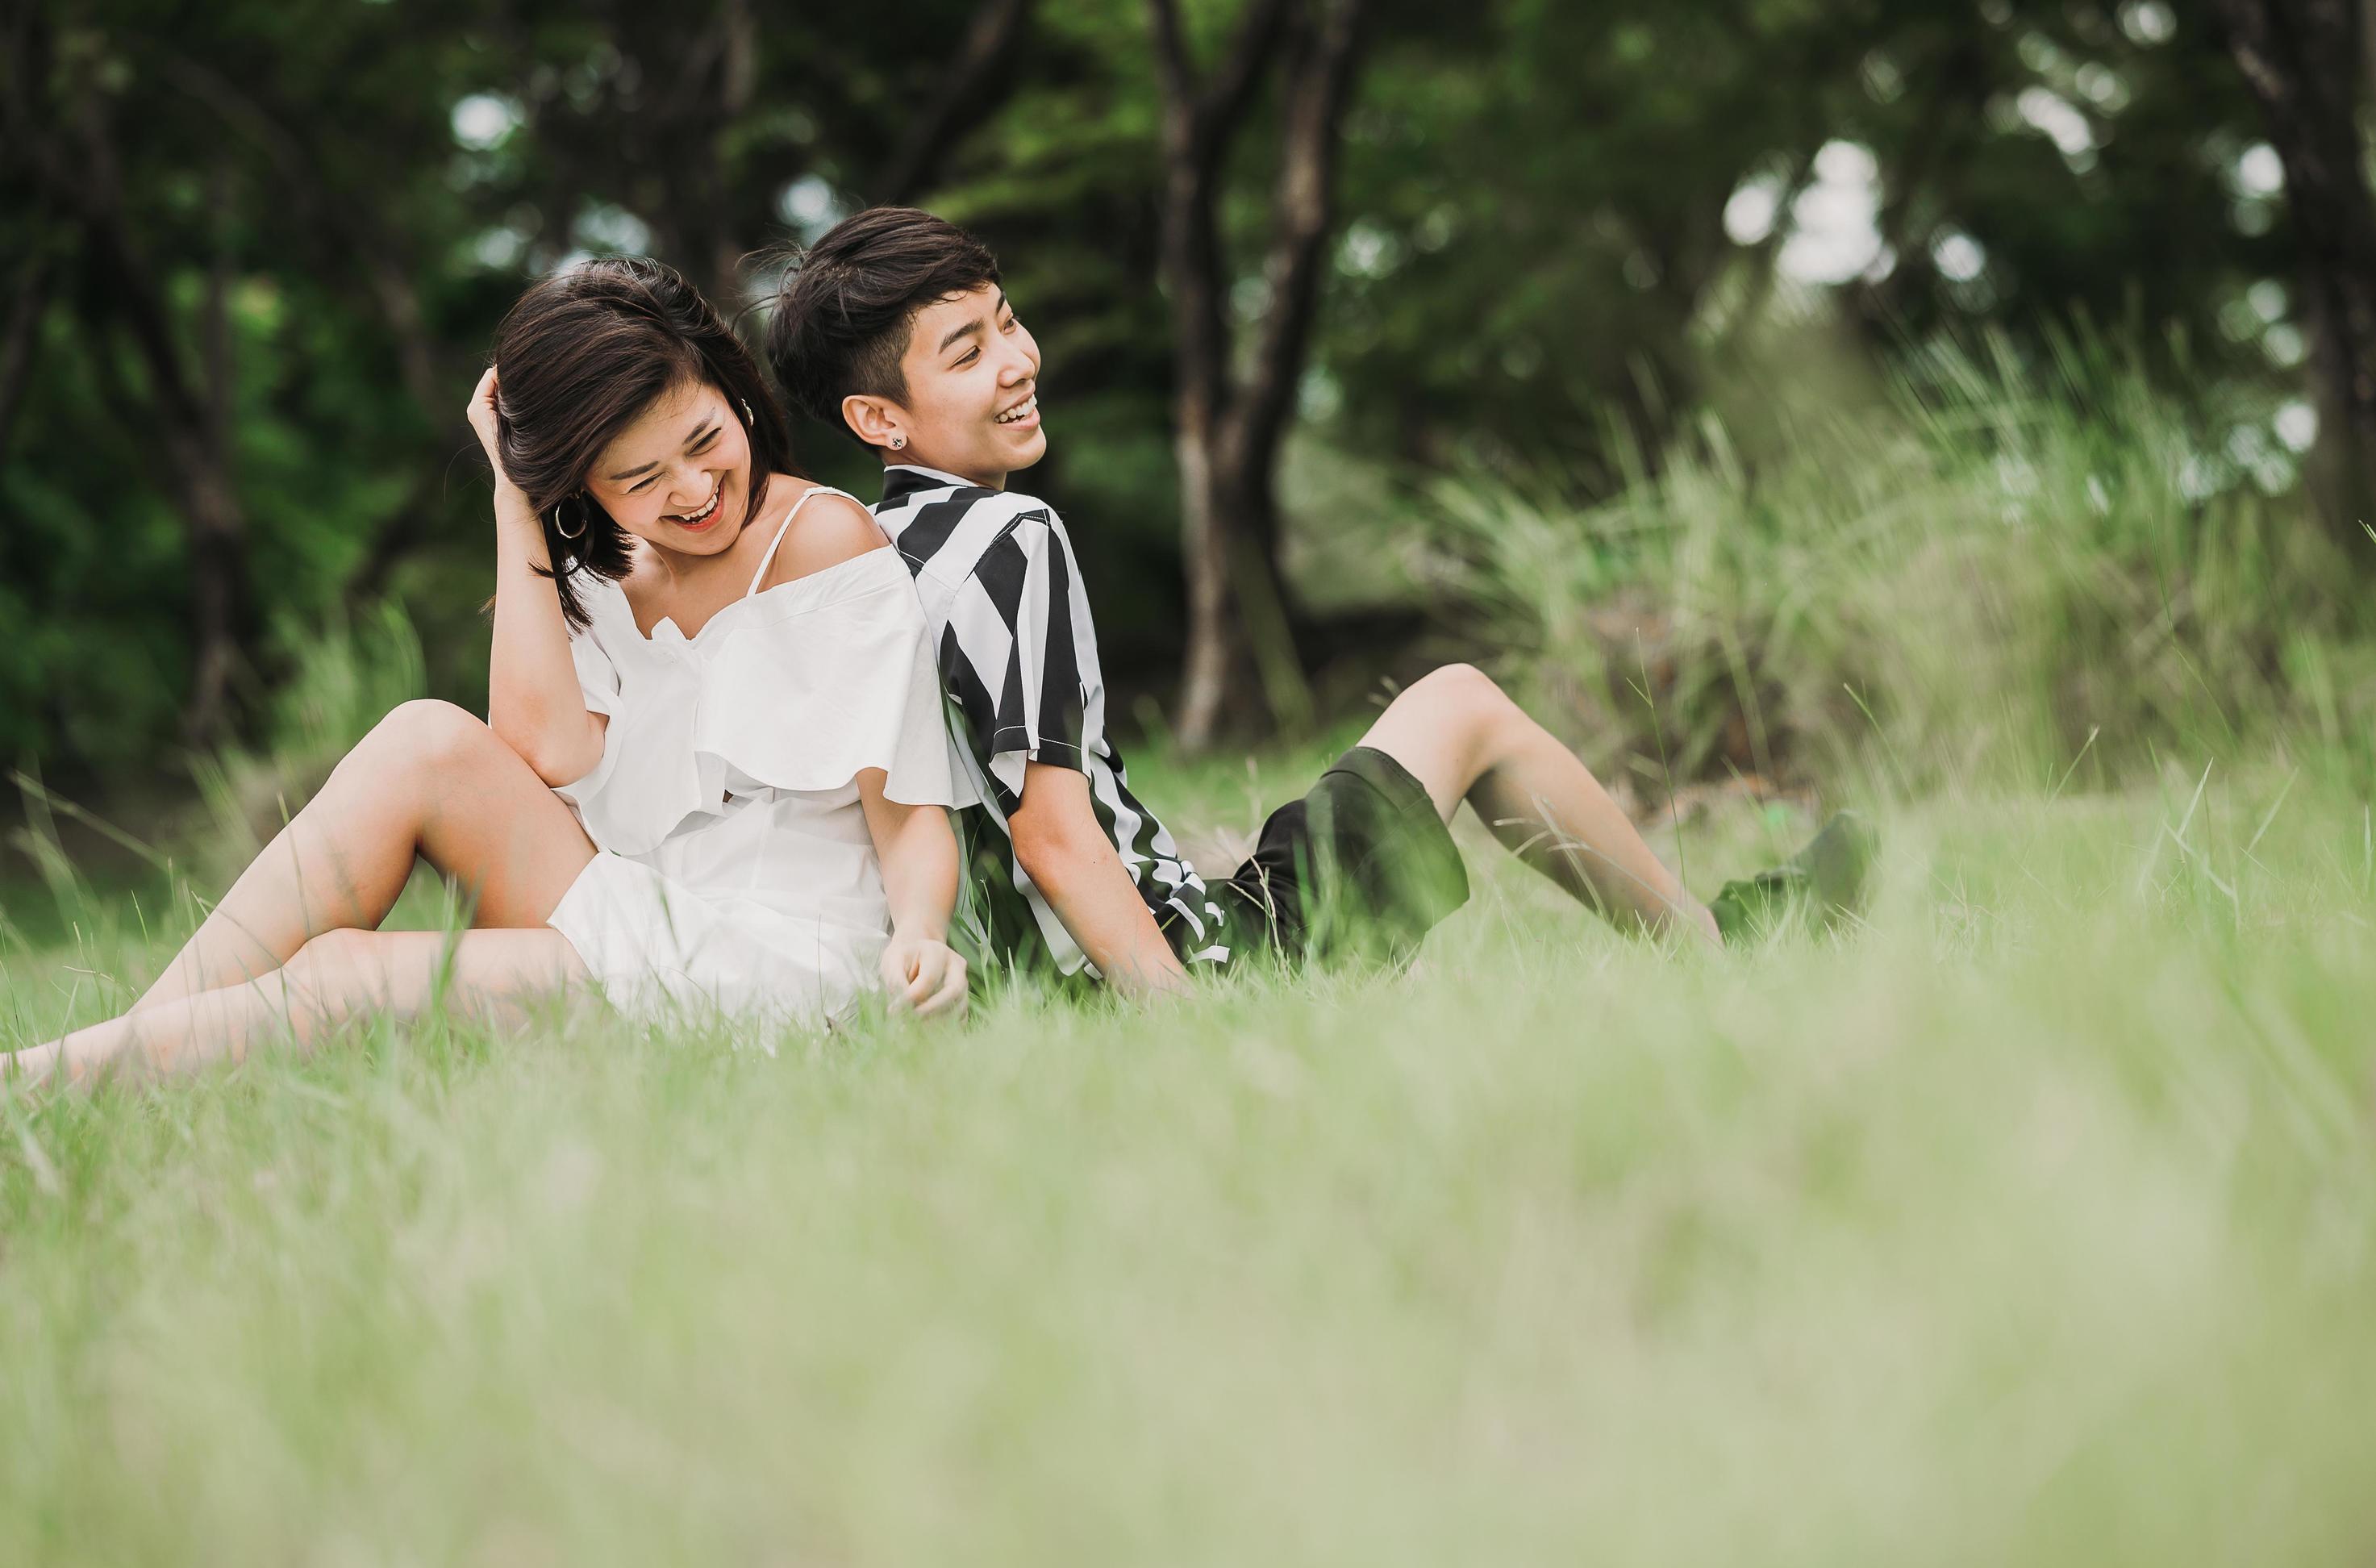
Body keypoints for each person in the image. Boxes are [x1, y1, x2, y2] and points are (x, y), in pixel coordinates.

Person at [765, 208, 1871, 998]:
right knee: (1461, 702)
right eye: (968, 351)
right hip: (1202, 961)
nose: (1017, 359)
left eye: (1007, 321)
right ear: (879, 421)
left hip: (1024, 986)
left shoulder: (863, 561)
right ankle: (1722, 952)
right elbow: (1051, 831)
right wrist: (1184, 1019)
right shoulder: (1009, 538)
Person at [10, 257, 972, 1083]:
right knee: (423, 737)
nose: (691, 490)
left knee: (350, 972)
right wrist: (517, 501)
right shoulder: (603, 569)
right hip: (646, 914)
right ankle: (98, 1063)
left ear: (732, 392)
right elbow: (542, 749)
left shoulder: (821, 541)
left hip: (781, 962)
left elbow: (907, 808)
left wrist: (923, 936)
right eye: (638, 480)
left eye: (703, 440)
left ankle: (43, 1086)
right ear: (581, 484)